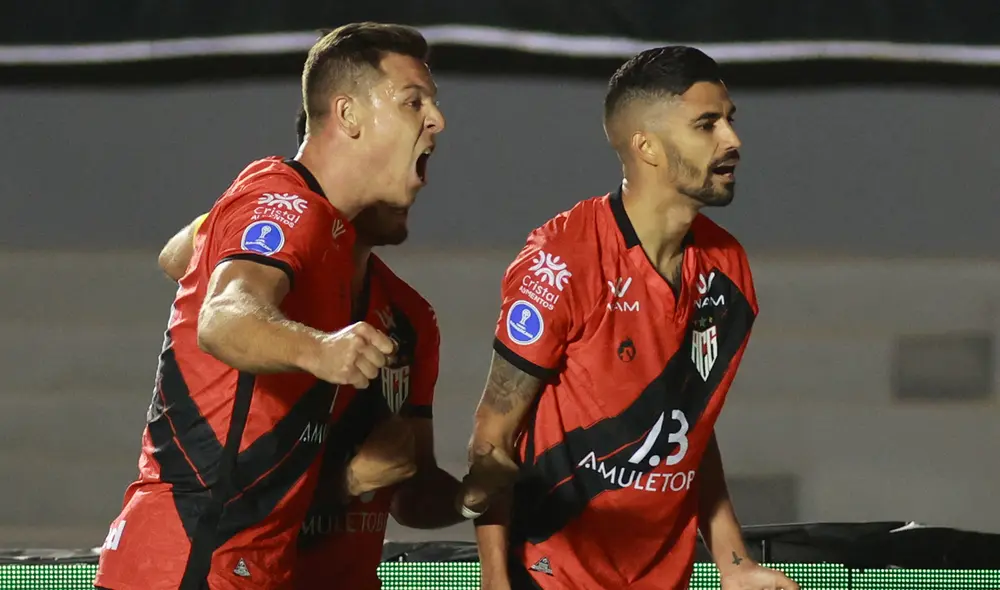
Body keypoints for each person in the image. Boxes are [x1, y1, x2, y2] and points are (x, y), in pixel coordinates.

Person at [95, 22, 445, 590]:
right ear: (349, 115)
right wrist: (323, 350)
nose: (437, 120)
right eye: (414, 102)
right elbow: (223, 317)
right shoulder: (288, 203)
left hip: (251, 564)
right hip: (191, 560)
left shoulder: (303, 220)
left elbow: (173, 257)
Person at [456, 47, 800, 590]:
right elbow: (491, 438)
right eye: (707, 125)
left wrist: (734, 562)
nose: (733, 141)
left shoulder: (729, 268)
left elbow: (687, 426)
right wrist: (495, 582)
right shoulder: (563, 258)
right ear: (647, 147)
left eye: (730, 121)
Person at [157, 111, 465, 590]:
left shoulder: (411, 319)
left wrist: (480, 495)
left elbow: (412, 492)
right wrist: (347, 484)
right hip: (238, 571)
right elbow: (177, 261)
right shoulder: (271, 287)